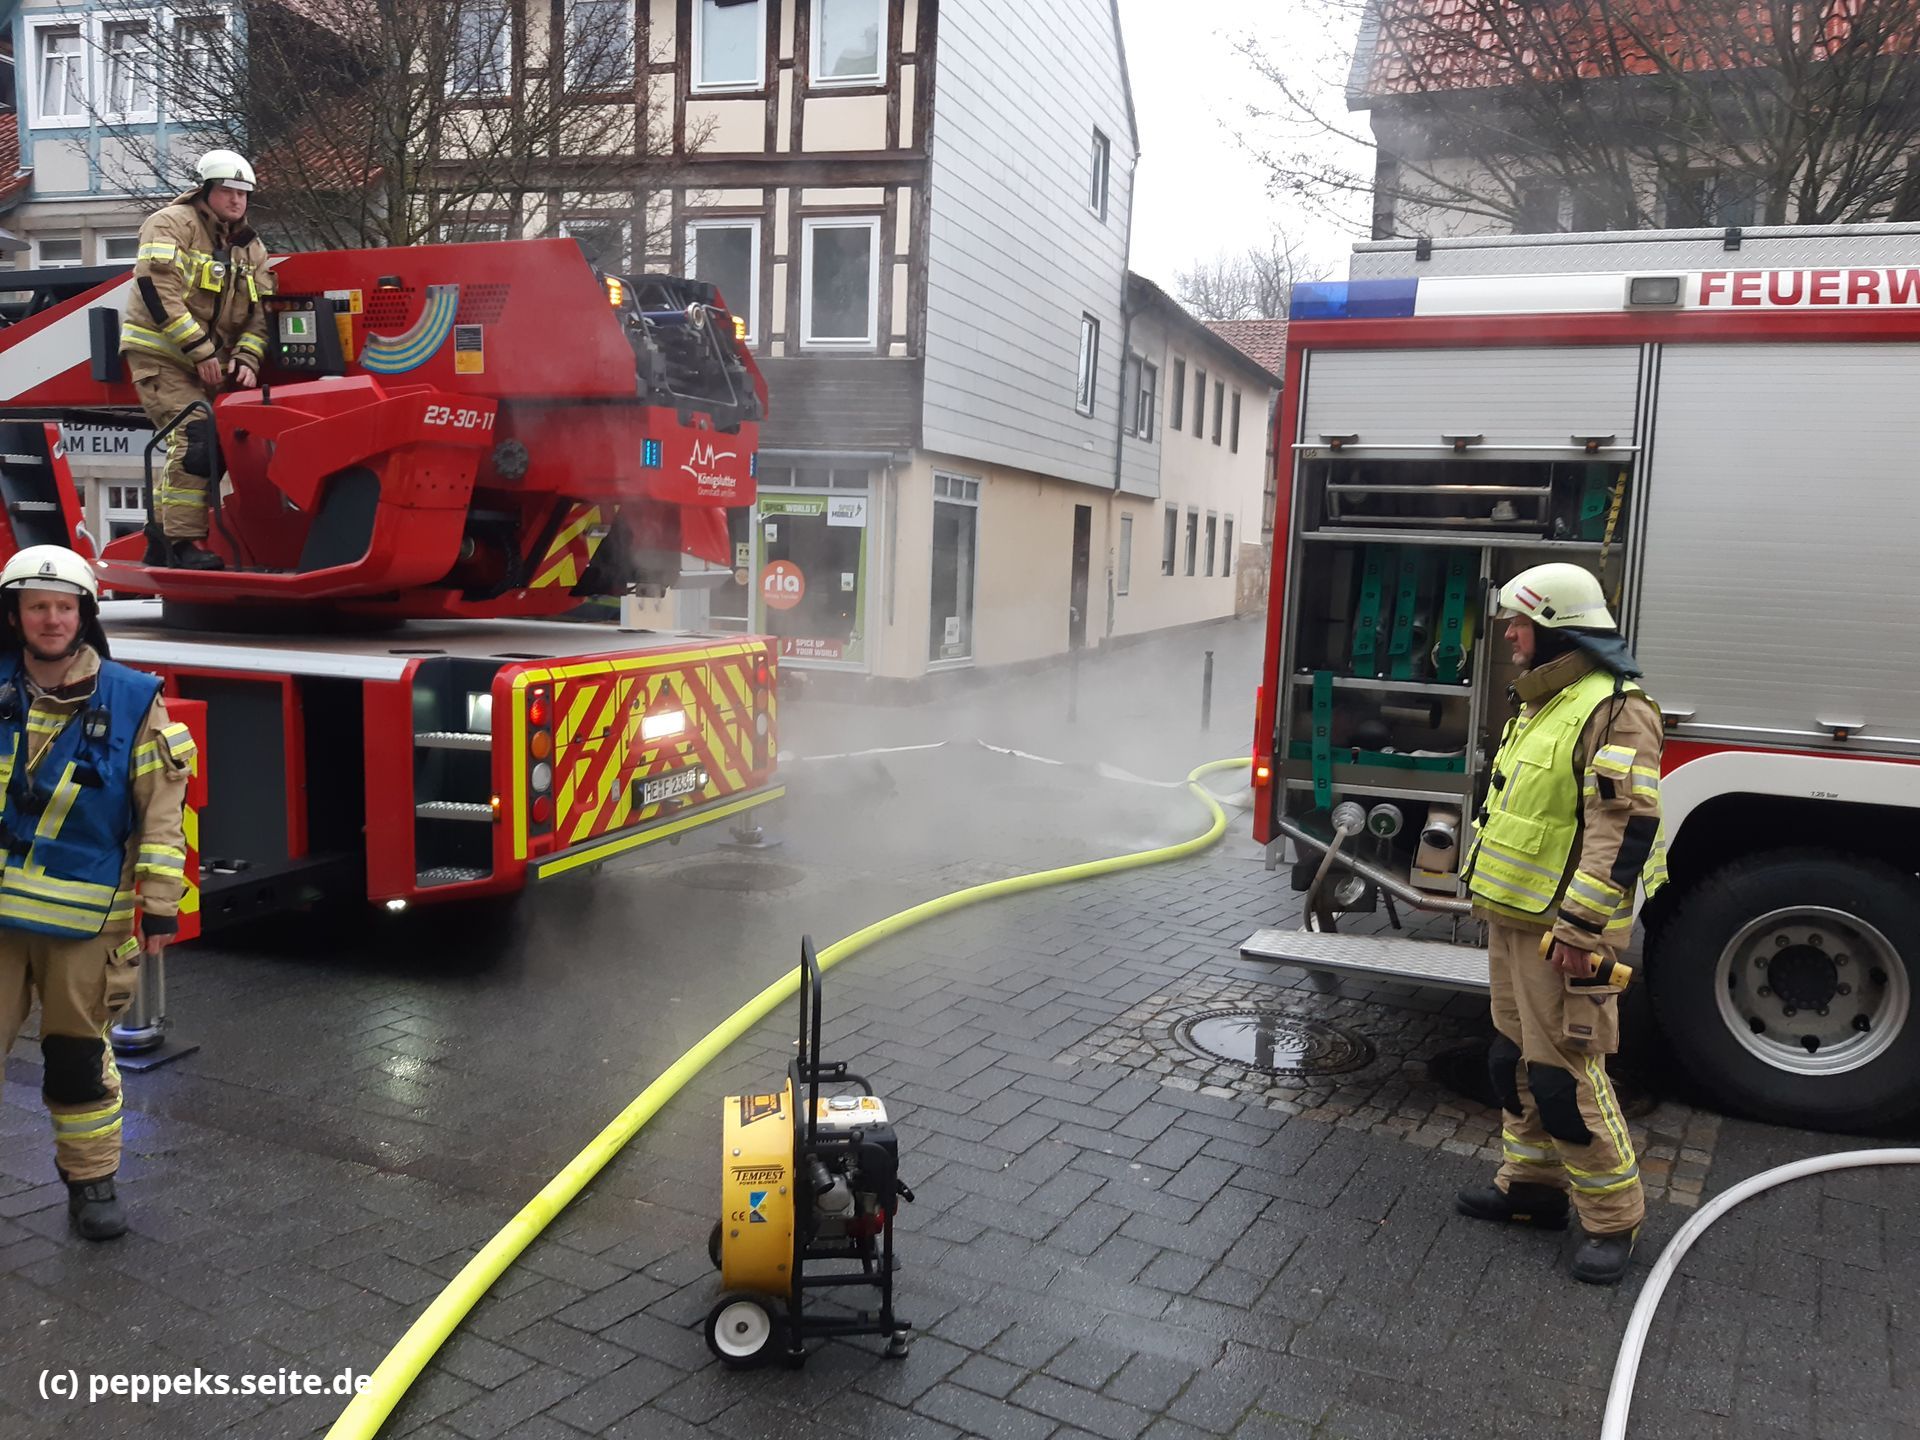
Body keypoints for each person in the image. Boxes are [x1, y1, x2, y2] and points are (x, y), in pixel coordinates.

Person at [1455, 562, 1667, 1285]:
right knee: (1514, 1060)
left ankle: (1613, 1220)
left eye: (1521, 622)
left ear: (1557, 628)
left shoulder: (1616, 709)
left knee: (1564, 1075)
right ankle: (1532, 1188)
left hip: (1562, 931)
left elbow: (1623, 827)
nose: (1510, 635)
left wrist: (1581, 929)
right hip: (1515, 916)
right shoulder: (1546, 701)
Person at [0, 546, 195, 1240]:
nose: (51, 619)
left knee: (78, 1063)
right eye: (37, 606)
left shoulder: (133, 699)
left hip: (86, 925)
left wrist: (161, 905)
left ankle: (91, 1184)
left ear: (83, 615)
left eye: (64, 607)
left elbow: (160, 812)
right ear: (15, 615)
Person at [120, 149, 275, 572]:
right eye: (227, 191)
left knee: (212, 447)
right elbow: (156, 290)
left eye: (243, 193)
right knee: (195, 436)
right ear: (205, 190)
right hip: (161, 356)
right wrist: (200, 349)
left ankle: (159, 538)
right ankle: (182, 544)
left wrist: (248, 356)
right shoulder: (170, 223)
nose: (237, 200)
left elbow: (260, 314)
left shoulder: (250, 247)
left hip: (210, 366)